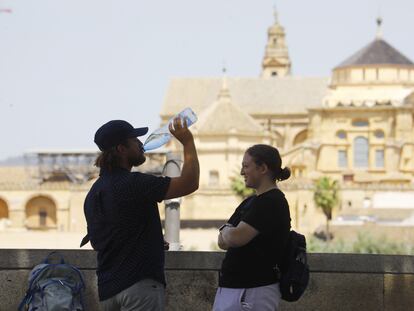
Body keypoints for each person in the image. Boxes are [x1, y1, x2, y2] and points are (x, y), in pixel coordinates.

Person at [82, 117, 199, 311]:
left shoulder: (94, 192)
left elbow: (101, 240)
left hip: (107, 290)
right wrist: (187, 141)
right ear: (121, 148)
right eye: (134, 139)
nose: (140, 143)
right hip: (139, 287)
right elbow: (190, 183)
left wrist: (148, 240)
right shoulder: (134, 183)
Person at [213, 144, 291, 311]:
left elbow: (235, 237)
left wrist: (227, 230)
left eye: (246, 166)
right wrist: (229, 232)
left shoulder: (272, 202)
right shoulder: (250, 202)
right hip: (236, 291)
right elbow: (222, 241)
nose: (242, 172)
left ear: (262, 168)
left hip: (251, 292)